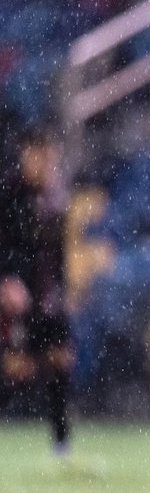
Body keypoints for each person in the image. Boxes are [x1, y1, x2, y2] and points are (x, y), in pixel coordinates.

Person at [0, 130, 74, 457]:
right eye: (38, 154)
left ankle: (61, 444)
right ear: (26, 155)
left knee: (59, 361)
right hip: (16, 296)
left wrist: (64, 290)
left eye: (48, 155)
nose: (43, 162)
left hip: (48, 297)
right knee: (17, 367)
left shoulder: (55, 197)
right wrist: (6, 279)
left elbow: (57, 252)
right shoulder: (9, 194)